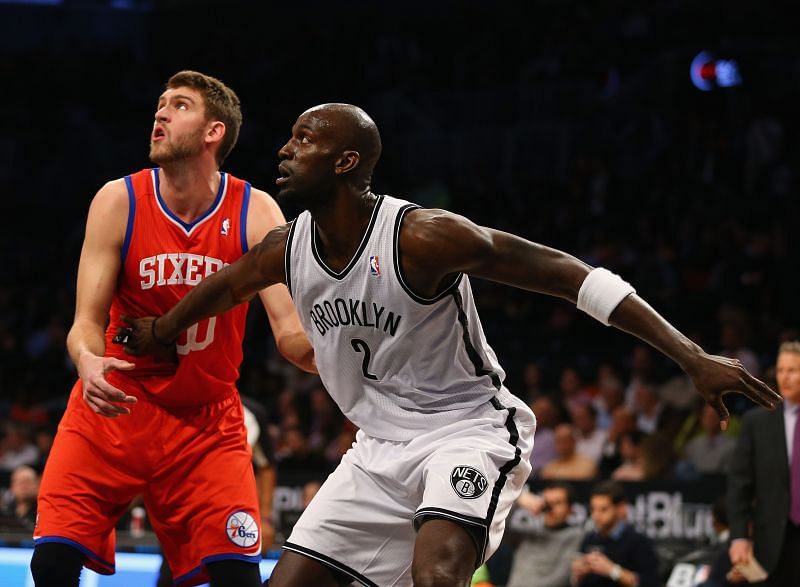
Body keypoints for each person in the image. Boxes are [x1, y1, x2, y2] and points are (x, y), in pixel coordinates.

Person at [122, 103, 779, 587]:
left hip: (469, 429)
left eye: (304, 139)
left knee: (436, 575)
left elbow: (565, 271)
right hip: (377, 447)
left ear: (347, 161)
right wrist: (157, 331)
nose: (284, 152)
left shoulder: (421, 236)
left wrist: (690, 353)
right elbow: (222, 288)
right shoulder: (285, 246)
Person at [31, 71, 315, 587]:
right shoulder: (118, 200)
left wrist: (348, 355)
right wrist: (86, 360)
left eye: (179, 106)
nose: (160, 114)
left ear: (214, 133)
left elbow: (291, 332)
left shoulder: (256, 211)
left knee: (237, 577)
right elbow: (85, 325)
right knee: (51, 564)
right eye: (160, 104)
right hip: (114, 406)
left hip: (205, 423)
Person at [728, 341, 800, 585]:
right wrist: (738, 536)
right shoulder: (757, 421)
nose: (785, 377)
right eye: (781, 370)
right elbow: (740, 482)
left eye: (793, 370)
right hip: (771, 542)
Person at [571, 481, 659, 587]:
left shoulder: (638, 542)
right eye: (593, 509)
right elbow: (577, 582)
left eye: (603, 510)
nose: (596, 515)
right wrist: (578, 575)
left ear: (621, 509)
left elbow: (649, 583)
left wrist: (613, 571)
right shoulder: (589, 539)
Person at [506, 482, 583, 587]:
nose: (550, 508)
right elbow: (497, 532)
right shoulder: (530, 530)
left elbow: (562, 578)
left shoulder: (575, 535)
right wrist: (517, 502)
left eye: (557, 503)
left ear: (570, 509)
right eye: (547, 502)